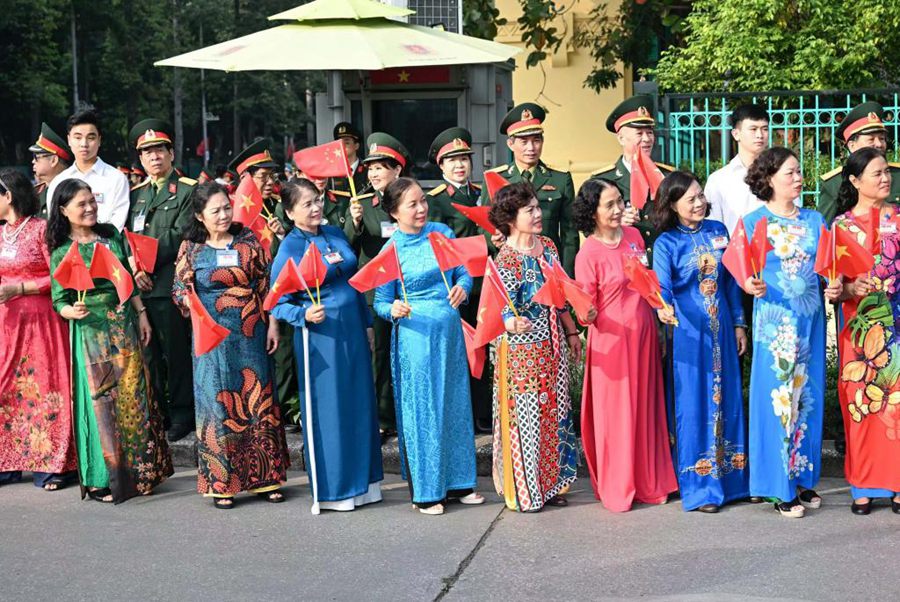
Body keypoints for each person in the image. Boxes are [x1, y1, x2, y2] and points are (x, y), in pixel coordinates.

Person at [47, 178, 172, 503]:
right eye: (81, 204)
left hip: (122, 325)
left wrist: (141, 313)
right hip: (89, 330)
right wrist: (69, 311)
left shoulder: (111, 235)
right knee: (99, 405)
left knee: (134, 397)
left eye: (92, 201)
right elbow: (59, 298)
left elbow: (124, 279)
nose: (89, 208)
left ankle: (143, 474)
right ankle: (104, 478)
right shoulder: (62, 250)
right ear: (63, 210)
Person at [172, 182, 289, 509]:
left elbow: (267, 283)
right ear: (200, 216)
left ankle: (266, 478)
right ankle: (222, 481)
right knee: (217, 404)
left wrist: (274, 323)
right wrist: (192, 304)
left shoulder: (249, 240)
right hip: (211, 336)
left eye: (227, 207)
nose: (224, 215)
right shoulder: (191, 248)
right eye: (215, 211)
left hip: (251, 331)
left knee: (258, 400)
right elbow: (179, 290)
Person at [271, 179, 383, 511]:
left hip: (352, 330)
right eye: (306, 204)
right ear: (290, 212)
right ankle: (336, 489)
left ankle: (366, 484)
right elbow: (276, 301)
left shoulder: (334, 233)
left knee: (360, 404)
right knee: (331, 410)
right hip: (322, 337)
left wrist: (366, 323)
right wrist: (304, 313)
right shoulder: (290, 247)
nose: (316, 207)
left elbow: (354, 281)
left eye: (317, 200)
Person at [373, 177, 483, 515]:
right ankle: (428, 490)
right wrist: (393, 310)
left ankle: (461, 482)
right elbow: (379, 300)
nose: (422, 208)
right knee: (425, 408)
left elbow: (464, 274)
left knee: (454, 403)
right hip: (415, 337)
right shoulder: (390, 250)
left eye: (423, 201)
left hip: (449, 333)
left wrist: (463, 288)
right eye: (412, 204)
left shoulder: (442, 234)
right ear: (394, 212)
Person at [743, 147, 841, 518]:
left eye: (799, 172)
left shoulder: (816, 220)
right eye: (790, 173)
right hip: (775, 325)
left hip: (811, 321)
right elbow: (742, 270)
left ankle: (802, 478)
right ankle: (776, 486)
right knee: (778, 400)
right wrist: (749, 285)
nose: (798, 178)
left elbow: (831, 267)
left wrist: (834, 285)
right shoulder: (754, 222)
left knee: (807, 399)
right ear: (768, 179)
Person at [574, 178, 677, 512]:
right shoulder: (588, 252)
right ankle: (620, 484)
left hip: (645, 333)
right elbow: (585, 308)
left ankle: (650, 481)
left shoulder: (634, 237)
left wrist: (660, 314)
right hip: (612, 342)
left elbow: (647, 284)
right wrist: (585, 314)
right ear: (593, 212)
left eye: (620, 201)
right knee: (617, 414)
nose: (619, 209)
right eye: (610, 204)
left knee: (646, 408)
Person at [651, 171, 750, 513]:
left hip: (721, 328)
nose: (698, 203)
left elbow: (733, 282)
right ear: (673, 205)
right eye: (690, 199)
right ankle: (701, 486)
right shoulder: (666, 243)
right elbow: (662, 286)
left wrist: (739, 323)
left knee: (727, 399)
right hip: (688, 334)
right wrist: (662, 307)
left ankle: (733, 481)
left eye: (700, 196)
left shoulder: (718, 231)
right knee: (694, 403)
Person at [487, 182, 581, 511]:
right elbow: (496, 311)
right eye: (530, 210)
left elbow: (561, 294)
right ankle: (527, 491)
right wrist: (509, 323)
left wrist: (571, 333)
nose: (538, 213)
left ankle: (552, 483)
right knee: (527, 418)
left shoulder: (548, 247)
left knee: (553, 414)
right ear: (511, 219)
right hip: (522, 353)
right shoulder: (506, 260)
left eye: (538, 207)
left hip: (552, 346)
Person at [831, 147, 900, 515]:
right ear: (856, 181)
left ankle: (897, 483)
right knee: (860, 401)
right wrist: (848, 289)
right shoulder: (840, 227)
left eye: (886, 172)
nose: (885, 178)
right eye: (876, 173)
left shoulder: (899, 218)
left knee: (896, 404)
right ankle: (862, 485)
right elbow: (833, 285)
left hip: (897, 327)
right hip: (858, 330)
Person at [0, 169, 77, 491]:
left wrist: (21, 287)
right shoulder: (1, 233)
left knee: (45, 388)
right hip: (7, 324)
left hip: (42, 323)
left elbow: (61, 275)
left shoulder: (41, 230)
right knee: (7, 387)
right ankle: (10, 460)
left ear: (8, 196)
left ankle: (53, 463)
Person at [127, 118, 197, 441]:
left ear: (171, 153)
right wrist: (135, 268)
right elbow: (127, 235)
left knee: (177, 352)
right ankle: (160, 412)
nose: (154, 157)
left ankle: (183, 412)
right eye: (147, 153)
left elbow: (181, 233)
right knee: (150, 354)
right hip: (142, 286)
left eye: (159, 150)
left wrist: (147, 261)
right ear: (140, 160)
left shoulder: (187, 189)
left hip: (171, 282)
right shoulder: (136, 195)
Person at [346, 133, 410, 441]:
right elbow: (348, 247)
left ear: (396, 170)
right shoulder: (362, 204)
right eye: (370, 169)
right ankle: (382, 417)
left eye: (380, 168)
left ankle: (404, 414)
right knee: (379, 353)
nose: (373, 174)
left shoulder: (409, 201)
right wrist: (355, 222)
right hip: (376, 291)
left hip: (408, 289)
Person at [426, 126, 491, 433]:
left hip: (487, 284)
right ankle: (461, 411)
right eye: (452, 160)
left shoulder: (483, 194)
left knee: (484, 345)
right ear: (441, 165)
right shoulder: (434, 200)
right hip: (456, 285)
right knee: (459, 349)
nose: (460, 165)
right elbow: (439, 246)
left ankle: (483, 410)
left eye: (464, 158)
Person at [229, 139, 296, 421]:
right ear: (246, 179)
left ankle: (288, 405)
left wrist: (282, 233)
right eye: (263, 176)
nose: (270, 182)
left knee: (283, 350)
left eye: (273, 175)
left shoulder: (278, 208)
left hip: (279, 288)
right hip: (248, 294)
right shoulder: (236, 210)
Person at [488, 103, 578, 274]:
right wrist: (493, 238)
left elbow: (569, 234)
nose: (531, 148)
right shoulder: (495, 179)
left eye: (536, 140)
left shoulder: (560, 179)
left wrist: (567, 275)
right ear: (510, 144)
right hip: (510, 266)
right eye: (524, 141)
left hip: (549, 265)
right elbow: (484, 225)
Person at [590, 95, 674, 256]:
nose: (647, 139)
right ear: (621, 138)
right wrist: (613, 222)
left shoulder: (667, 176)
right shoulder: (601, 180)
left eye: (650, 132)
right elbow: (587, 228)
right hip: (623, 262)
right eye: (639, 133)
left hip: (663, 260)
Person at [46, 109, 131, 230]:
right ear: (69, 140)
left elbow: (117, 223)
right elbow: (54, 222)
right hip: (68, 247)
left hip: (106, 246)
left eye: (90, 138)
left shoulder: (116, 179)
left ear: (99, 140)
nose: (84, 144)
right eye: (78, 137)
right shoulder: (59, 181)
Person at [818, 101, 900, 224]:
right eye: (871, 139)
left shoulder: (897, 176)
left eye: (882, 138)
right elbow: (826, 231)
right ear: (852, 145)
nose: (878, 144)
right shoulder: (834, 184)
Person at [705, 104, 771, 236]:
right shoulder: (719, 180)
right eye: (753, 129)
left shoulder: (779, 174)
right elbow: (712, 227)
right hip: (735, 254)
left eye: (764, 129)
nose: (760, 135)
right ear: (736, 134)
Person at [29, 122, 72, 220]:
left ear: (53, 160)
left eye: (36, 157)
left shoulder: (74, 190)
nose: (33, 161)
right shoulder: (37, 194)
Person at [329, 121, 369, 198]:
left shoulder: (368, 170)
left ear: (356, 146)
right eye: (339, 143)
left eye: (346, 143)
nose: (342, 146)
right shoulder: (331, 172)